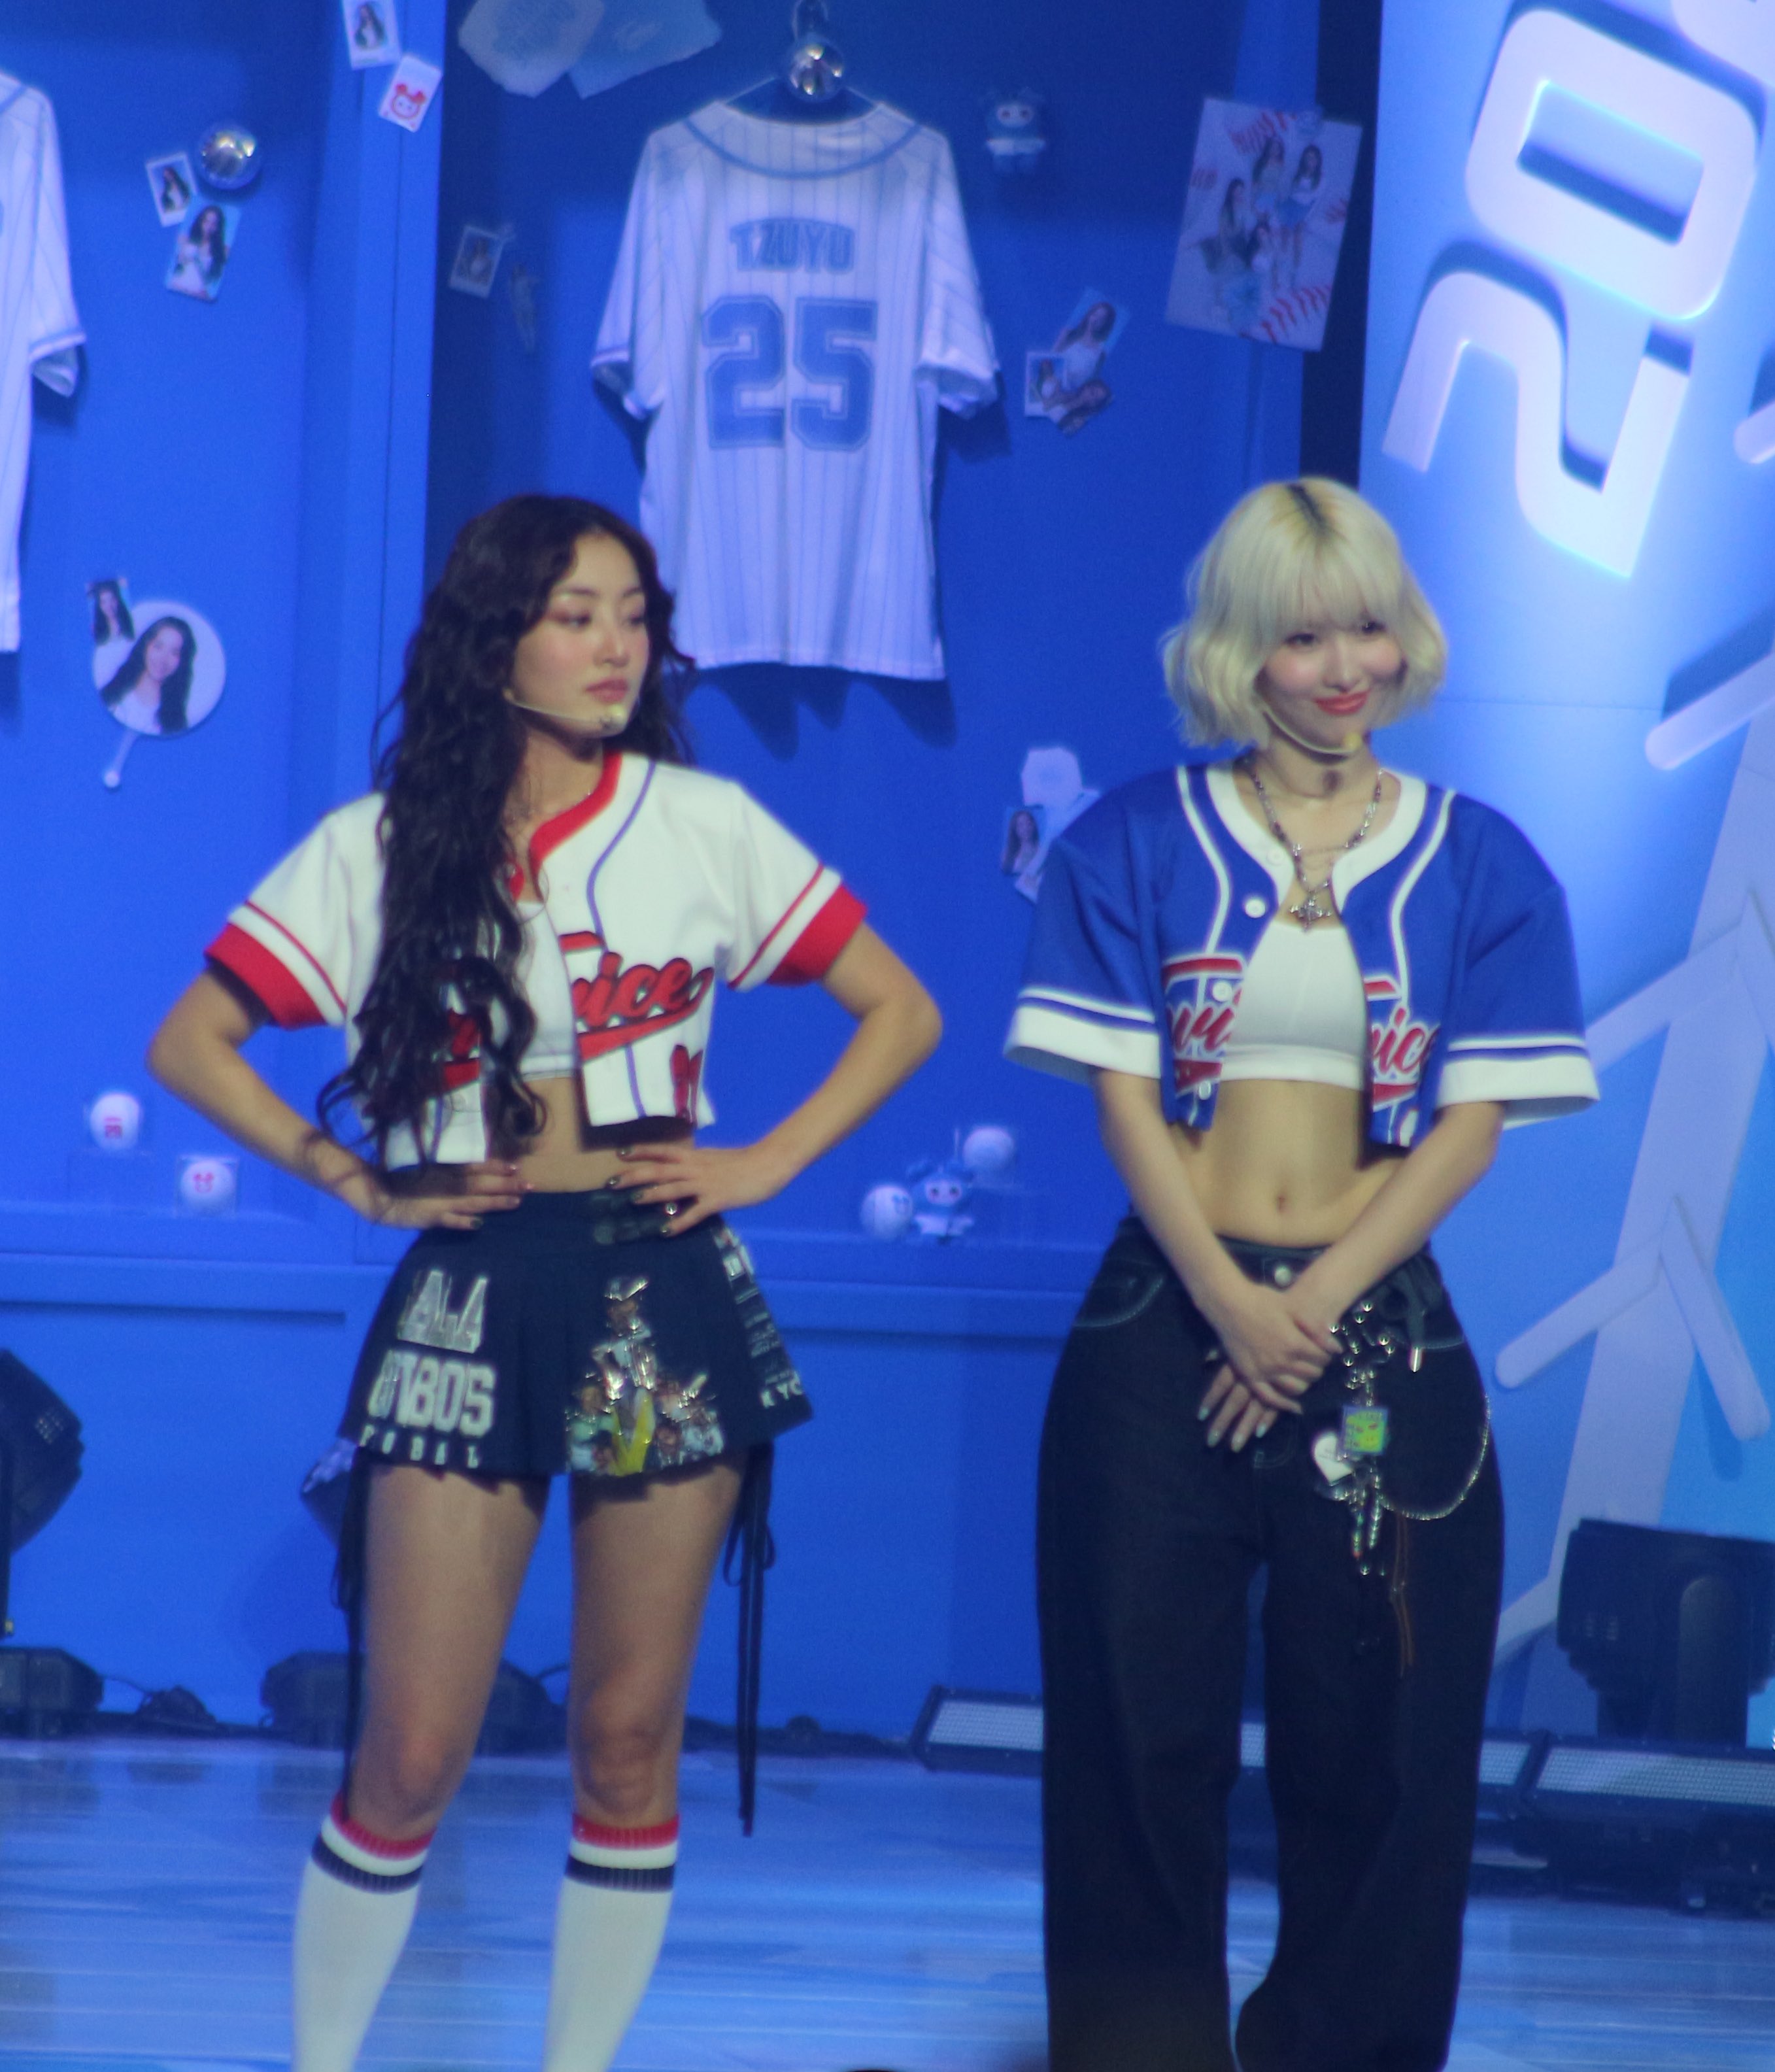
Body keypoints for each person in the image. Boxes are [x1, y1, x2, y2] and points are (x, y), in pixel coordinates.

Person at [146, 494, 941, 2072]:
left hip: (656, 1286)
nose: (613, 646)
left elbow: (899, 1009)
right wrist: (359, 1181)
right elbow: (193, 1041)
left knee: (627, 1736)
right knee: (410, 1747)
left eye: (633, 615)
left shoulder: (702, 823)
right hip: (475, 1286)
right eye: (575, 614)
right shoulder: (380, 846)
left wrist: (764, 1162)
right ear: (491, 639)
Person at [1006, 477, 1598, 2072]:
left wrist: (1312, 1302)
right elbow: (1122, 1101)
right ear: (1236, 652)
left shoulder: (1481, 864)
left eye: (1368, 629)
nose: (1346, 669)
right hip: (1164, 1317)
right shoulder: (1129, 841)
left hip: (1375, 1326)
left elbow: (1467, 1129)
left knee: (1384, 1746)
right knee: (1135, 1731)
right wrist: (1229, 1299)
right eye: (1302, 638)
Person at [102, 615, 196, 734]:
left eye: (174, 653)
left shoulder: (175, 725)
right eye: (158, 647)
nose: (163, 659)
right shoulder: (110, 697)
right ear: (146, 646)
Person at [169, 205, 228, 299]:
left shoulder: (221, 250)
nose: (209, 227)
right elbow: (178, 266)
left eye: (214, 224)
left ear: (218, 227)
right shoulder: (185, 240)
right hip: (178, 287)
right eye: (206, 222)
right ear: (201, 221)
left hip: (199, 294)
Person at [89, 578, 134, 646]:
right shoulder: (97, 630)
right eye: (104, 602)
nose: (109, 606)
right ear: (100, 606)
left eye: (112, 600)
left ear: (118, 601)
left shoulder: (130, 623)